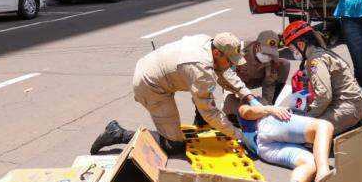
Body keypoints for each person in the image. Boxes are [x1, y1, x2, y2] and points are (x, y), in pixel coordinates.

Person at [90, 32, 254, 155]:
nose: (232, 64)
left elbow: (225, 72)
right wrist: (239, 135)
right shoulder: (201, 68)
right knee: (174, 145)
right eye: (230, 60)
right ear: (217, 53)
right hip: (150, 85)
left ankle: (201, 121)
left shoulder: (209, 42)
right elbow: (209, 111)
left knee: (204, 91)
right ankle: (118, 134)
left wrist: (247, 95)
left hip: (154, 67)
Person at [282, 21, 362, 135]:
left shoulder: (316, 61)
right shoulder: (320, 52)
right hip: (348, 103)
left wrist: (307, 115)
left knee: (303, 130)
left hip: (346, 108)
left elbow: (324, 95)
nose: (293, 53)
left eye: (292, 49)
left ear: (300, 45)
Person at [237, 100, 333, 182]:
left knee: (313, 162)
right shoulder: (246, 102)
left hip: (264, 149)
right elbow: (246, 112)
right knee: (324, 126)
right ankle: (324, 173)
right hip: (267, 127)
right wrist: (270, 109)